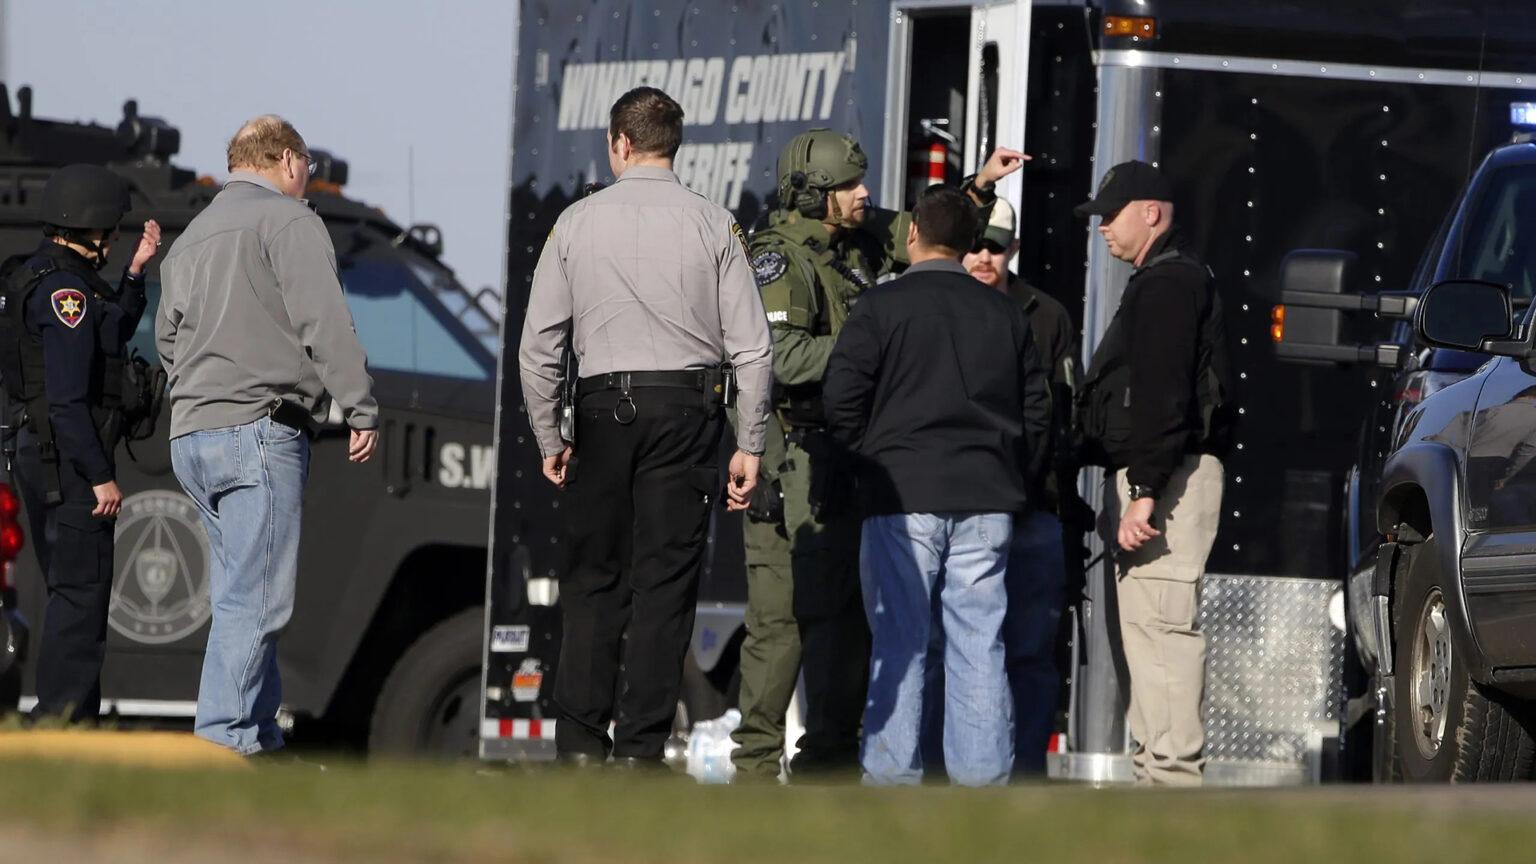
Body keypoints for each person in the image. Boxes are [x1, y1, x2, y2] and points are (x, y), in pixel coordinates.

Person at [731, 128, 1026, 780]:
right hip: (799, 455)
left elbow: (933, 234)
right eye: (848, 187)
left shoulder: (855, 239)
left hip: (854, 457)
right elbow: (778, 358)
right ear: (813, 195)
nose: (864, 195)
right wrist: (877, 350)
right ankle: (753, 770)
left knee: (853, 623)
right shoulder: (779, 260)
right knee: (785, 623)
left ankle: (830, 765)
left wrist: (978, 187)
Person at [518, 86, 774, 768]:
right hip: (688, 412)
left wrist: (551, 438)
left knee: (593, 581)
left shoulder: (574, 224)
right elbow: (751, 346)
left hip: (601, 412)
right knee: (665, 585)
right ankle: (639, 751)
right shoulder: (715, 224)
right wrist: (749, 442)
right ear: (673, 144)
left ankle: (577, 748)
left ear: (617, 143)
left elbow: (539, 344)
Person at [158, 115, 379, 756]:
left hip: (192, 436)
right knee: (256, 602)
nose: (308, 178)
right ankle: (223, 745)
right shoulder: (289, 220)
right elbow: (325, 321)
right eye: (306, 165)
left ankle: (256, 738)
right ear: (285, 159)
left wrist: (202, 388)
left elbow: (168, 338)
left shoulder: (192, 236)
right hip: (257, 430)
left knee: (238, 596)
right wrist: (358, 404)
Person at [823, 184, 1050, 785]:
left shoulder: (880, 307)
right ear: (972, 243)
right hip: (986, 495)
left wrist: (868, 464)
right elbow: (1038, 413)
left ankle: (893, 783)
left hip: (902, 494)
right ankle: (980, 792)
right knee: (980, 643)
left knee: (901, 641)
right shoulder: (1006, 314)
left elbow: (841, 399)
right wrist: (1011, 475)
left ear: (912, 235)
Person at [1074, 160, 1234, 786]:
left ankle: (1170, 784)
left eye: (1110, 216)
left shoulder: (1168, 283)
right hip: (1162, 475)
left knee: (1162, 632)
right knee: (1146, 634)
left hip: (1167, 481)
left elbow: (1165, 394)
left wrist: (1143, 491)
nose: (1102, 230)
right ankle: (1155, 780)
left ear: (1151, 211)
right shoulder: (1164, 278)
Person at [924, 197, 1081, 775]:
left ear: (1013, 248)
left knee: (1029, 651)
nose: (983, 257)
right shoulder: (936, 306)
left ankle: (1026, 772)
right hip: (958, 503)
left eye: (995, 246)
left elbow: (1060, 414)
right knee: (947, 646)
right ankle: (941, 768)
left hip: (1032, 503)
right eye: (975, 245)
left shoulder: (1046, 316)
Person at [0, 164, 160, 723]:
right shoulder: (67, 292)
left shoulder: (46, 278)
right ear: (88, 226)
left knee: (71, 592)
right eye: (113, 230)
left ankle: (66, 720)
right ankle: (62, 723)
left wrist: (135, 276)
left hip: (41, 455)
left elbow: (109, 335)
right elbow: (68, 399)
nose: (116, 238)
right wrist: (100, 474)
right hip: (67, 462)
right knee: (80, 599)